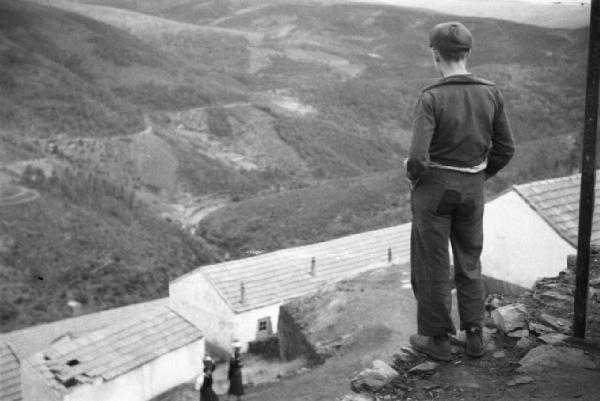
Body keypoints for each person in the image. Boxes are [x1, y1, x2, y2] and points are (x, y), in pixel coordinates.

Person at [406, 21, 515, 361]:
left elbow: (417, 158)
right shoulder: (491, 92)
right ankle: (475, 335)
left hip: (435, 191)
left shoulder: (431, 97)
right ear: (468, 53)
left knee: (433, 263)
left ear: (435, 55)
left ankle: (437, 341)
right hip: (473, 188)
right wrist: (481, 175)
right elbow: (505, 148)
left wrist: (414, 177)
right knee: (469, 260)